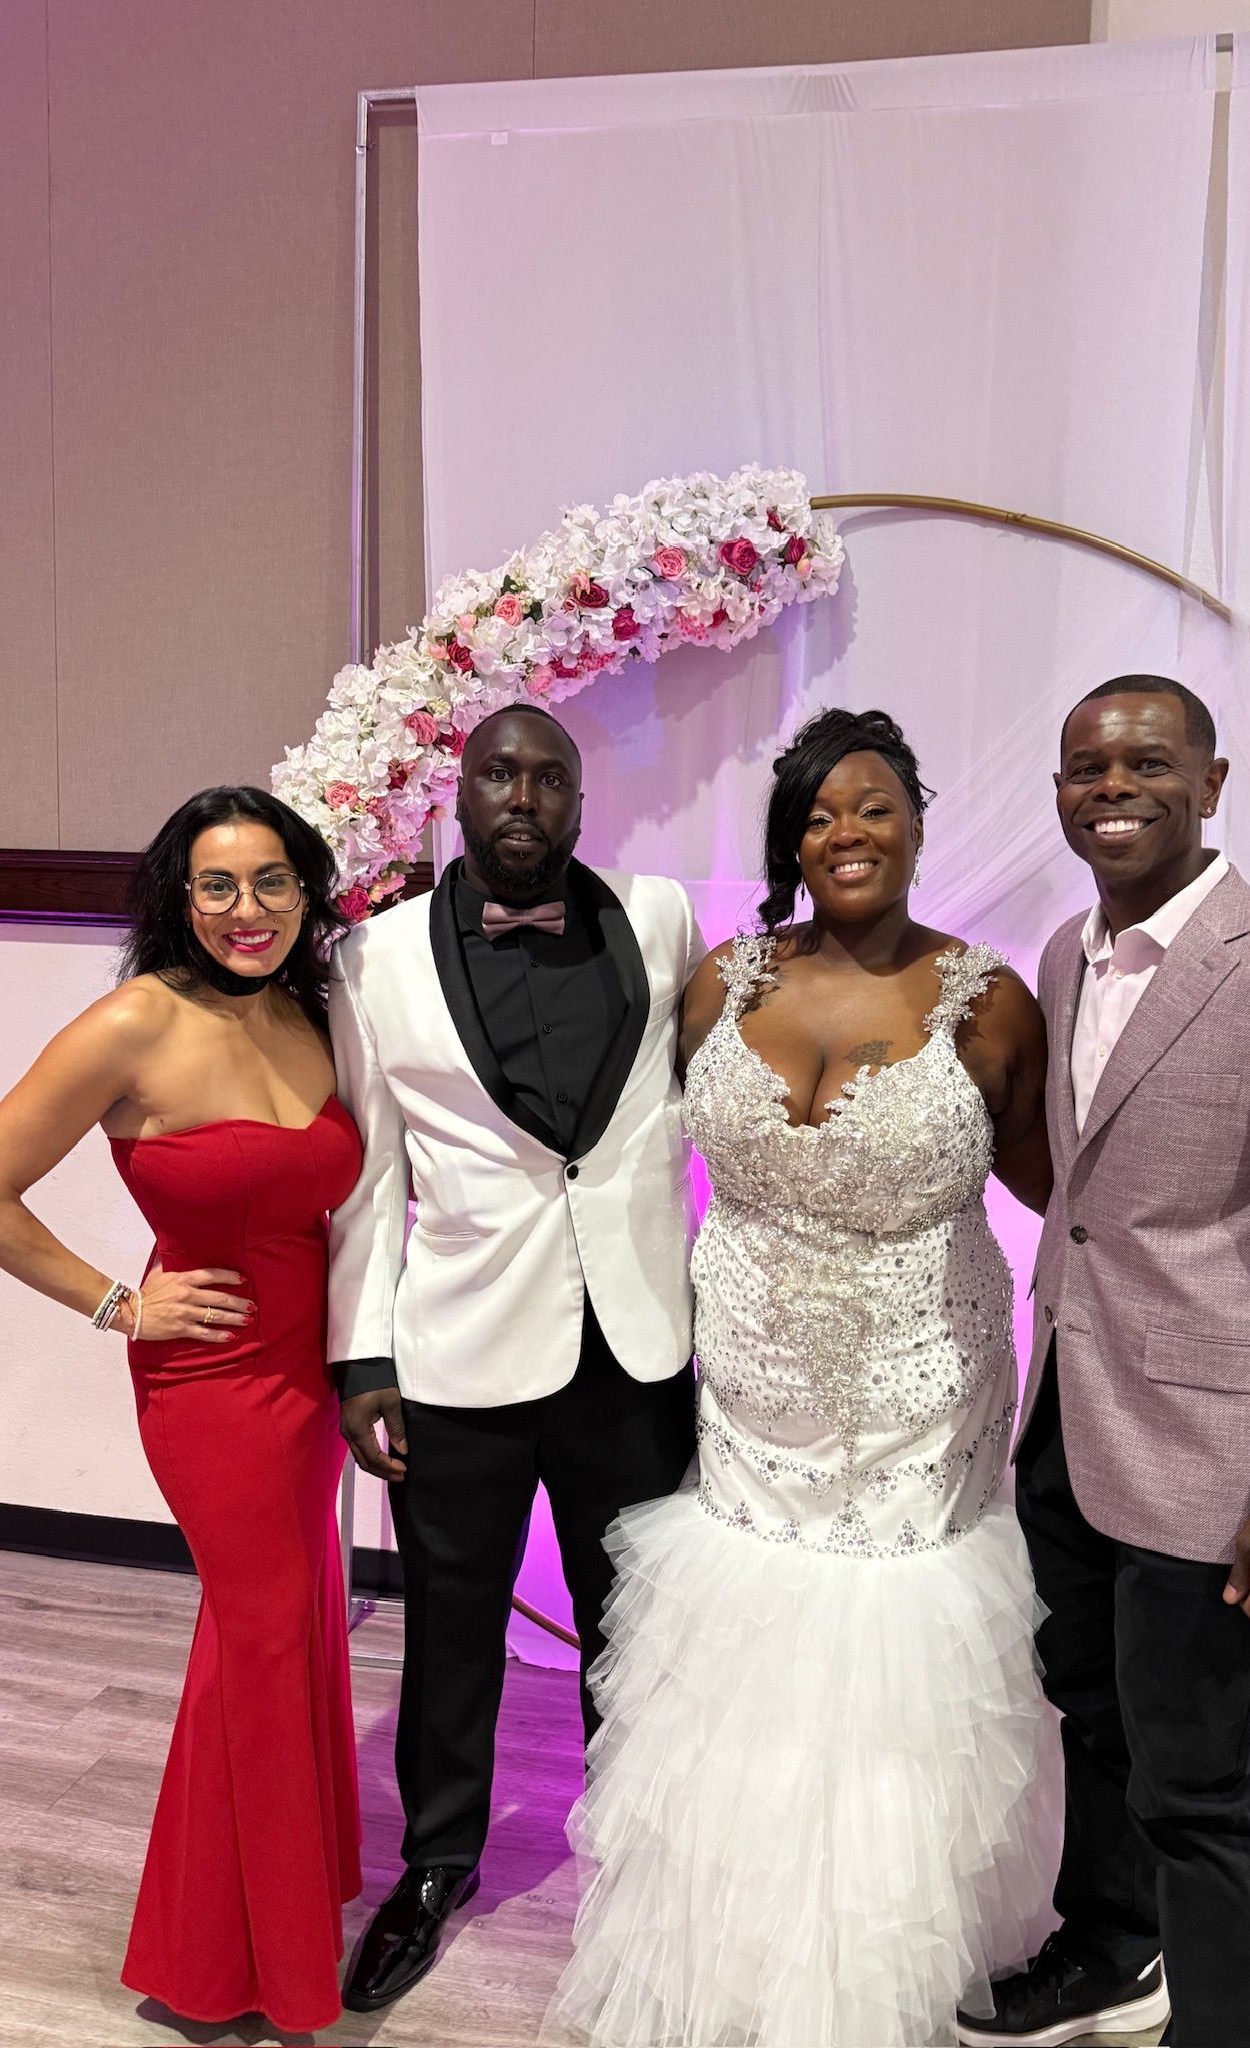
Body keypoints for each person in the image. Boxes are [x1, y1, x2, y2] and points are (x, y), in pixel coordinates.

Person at [550, 707, 1059, 2048]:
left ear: (918, 823)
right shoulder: (726, 981)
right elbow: (621, 1155)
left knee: (898, 1674)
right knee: (750, 1661)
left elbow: (1059, 1188)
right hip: (749, 1379)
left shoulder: (992, 1000)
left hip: (918, 1389)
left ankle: (884, 1972)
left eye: (874, 806)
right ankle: (737, 1941)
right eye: (820, 814)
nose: (848, 834)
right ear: (791, 841)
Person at [957, 678, 1250, 2048]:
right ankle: (1109, 1950)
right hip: (1070, 1426)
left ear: (1212, 785)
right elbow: (1089, 1194)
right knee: (1092, 1720)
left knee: (1198, 1783)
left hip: (1217, 1470)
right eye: (1087, 767)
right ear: (1058, 795)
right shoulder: (1058, 955)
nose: (1115, 788)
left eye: (1149, 764)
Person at [0, 787, 363, 2034]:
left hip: (312, 1369)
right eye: (220, 884)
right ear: (180, 895)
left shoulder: (311, 1006)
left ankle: (239, 1922)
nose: (249, 909)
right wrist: (118, 1303)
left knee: (278, 1634)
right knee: (270, 1632)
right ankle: (246, 1968)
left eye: (274, 881)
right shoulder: (135, 1019)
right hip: (211, 1382)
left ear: (307, 890)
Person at [330, 702, 704, 2014]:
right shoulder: (372, 962)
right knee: (452, 1632)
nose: (525, 796)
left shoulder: (660, 921)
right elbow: (372, 1178)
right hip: (456, 1358)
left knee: (642, 1632)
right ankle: (435, 1867)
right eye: (500, 773)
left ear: (582, 802)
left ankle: (648, 1861)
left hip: (638, 1346)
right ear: (461, 796)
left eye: (550, 776)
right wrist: (357, 1357)